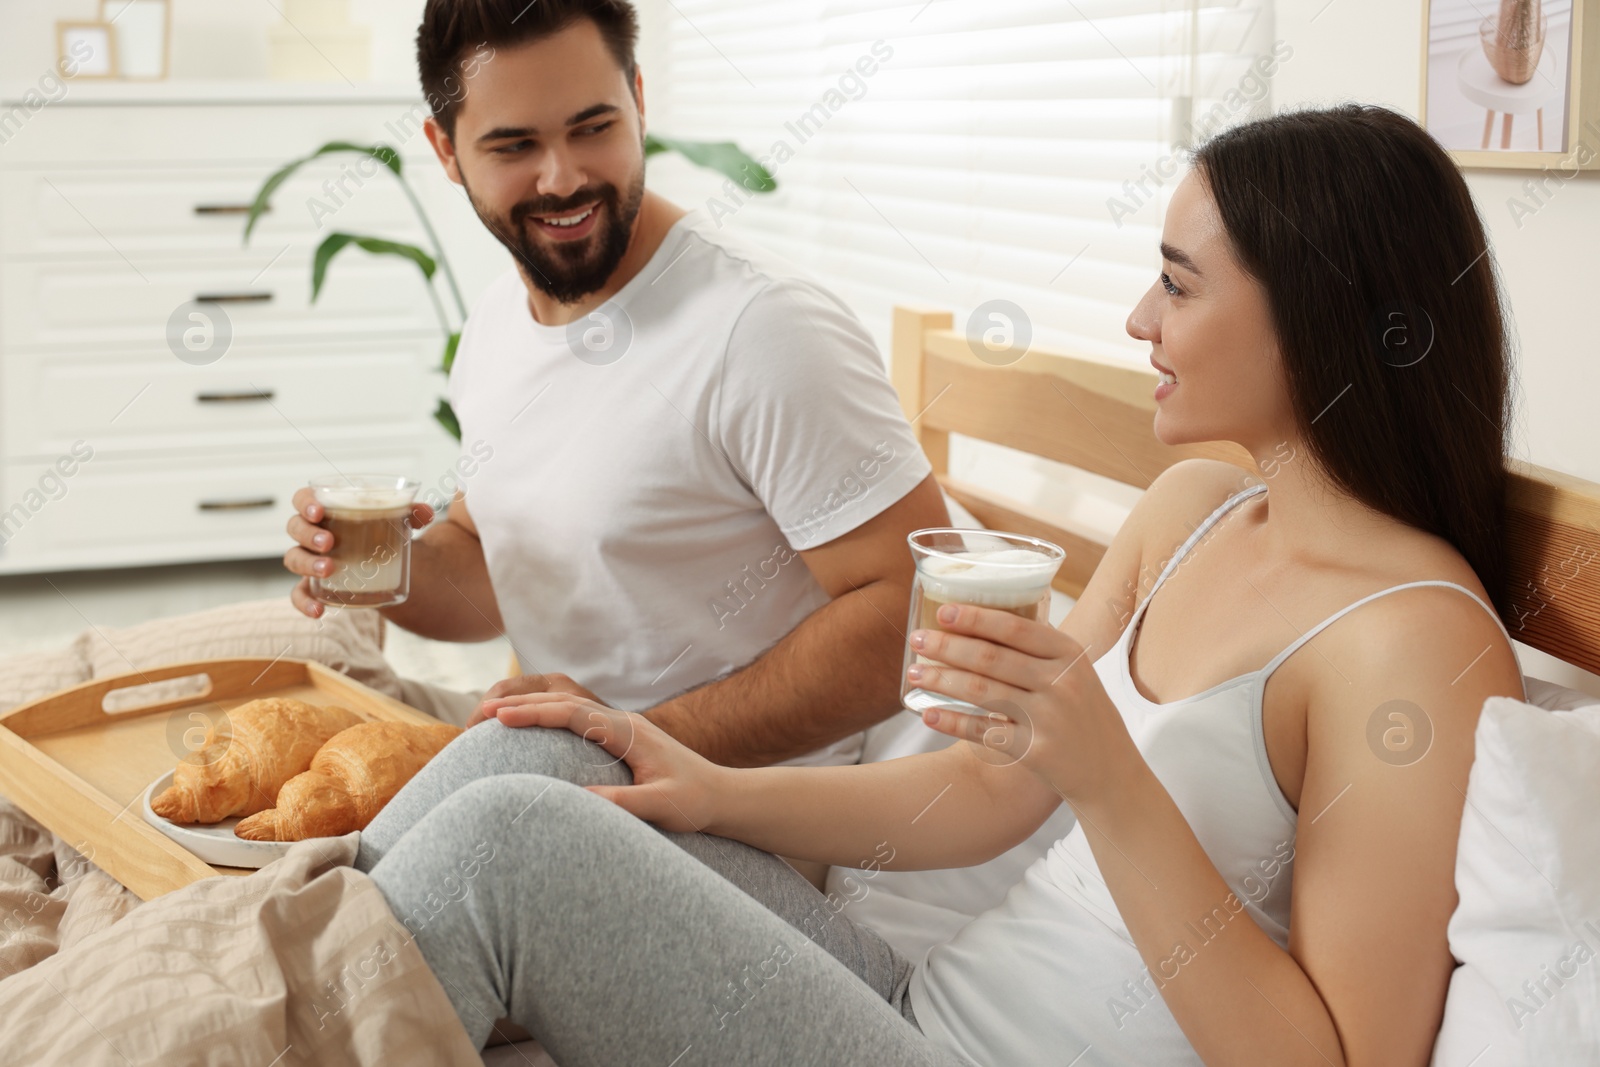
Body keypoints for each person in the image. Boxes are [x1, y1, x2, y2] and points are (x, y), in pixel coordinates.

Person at [353, 103, 1529, 1066]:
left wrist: (1109, 778)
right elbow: (985, 790)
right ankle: (265, 967)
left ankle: (251, 994)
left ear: (1316, 321)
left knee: (508, 847)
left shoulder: (1410, 642)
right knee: (553, 752)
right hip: (916, 1013)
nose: (1138, 318)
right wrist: (709, 788)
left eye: (1176, 284)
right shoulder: (1193, 513)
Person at [280, 0, 949, 771]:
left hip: (745, 814)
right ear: (446, 149)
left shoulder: (764, 331)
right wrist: (361, 562)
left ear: (638, 98)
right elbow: (499, 562)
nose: (563, 178)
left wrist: (635, 738)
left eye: (593, 128)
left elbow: (912, 617)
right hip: (576, 768)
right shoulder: (500, 318)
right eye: (514, 145)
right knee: (269, 722)